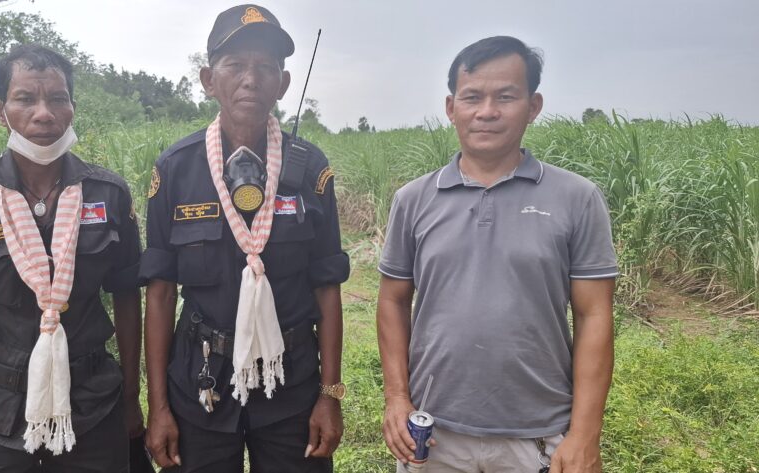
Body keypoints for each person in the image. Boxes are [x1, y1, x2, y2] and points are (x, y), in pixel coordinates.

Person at [376, 36, 618, 473]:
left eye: (506, 96)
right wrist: (396, 397)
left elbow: (594, 315)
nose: (487, 111)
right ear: (452, 108)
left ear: (533, 105)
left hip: (538, 437)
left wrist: (585, 434)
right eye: (472, 97)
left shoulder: (577, 198)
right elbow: (393, 300)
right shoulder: (413, 200)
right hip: (433, 435)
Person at [0, 44, 146, 472]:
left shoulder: (108, 194)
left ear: (73, 107)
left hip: (90, 404)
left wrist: (131, 399)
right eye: (25, 99)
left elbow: (128, 297)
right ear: (1, 110)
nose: (44, 113)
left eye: (57, 98)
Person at [139, 5, 350, 472]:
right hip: (202, 382)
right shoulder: (175, 169)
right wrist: (158, 407)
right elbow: (159, 292)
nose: (250, 80)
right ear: (208, 79)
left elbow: (327, 286)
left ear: (283, 82)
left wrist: (330, 396)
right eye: (235, 65)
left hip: (291, 385)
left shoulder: (311, 170)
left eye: (265, 67)